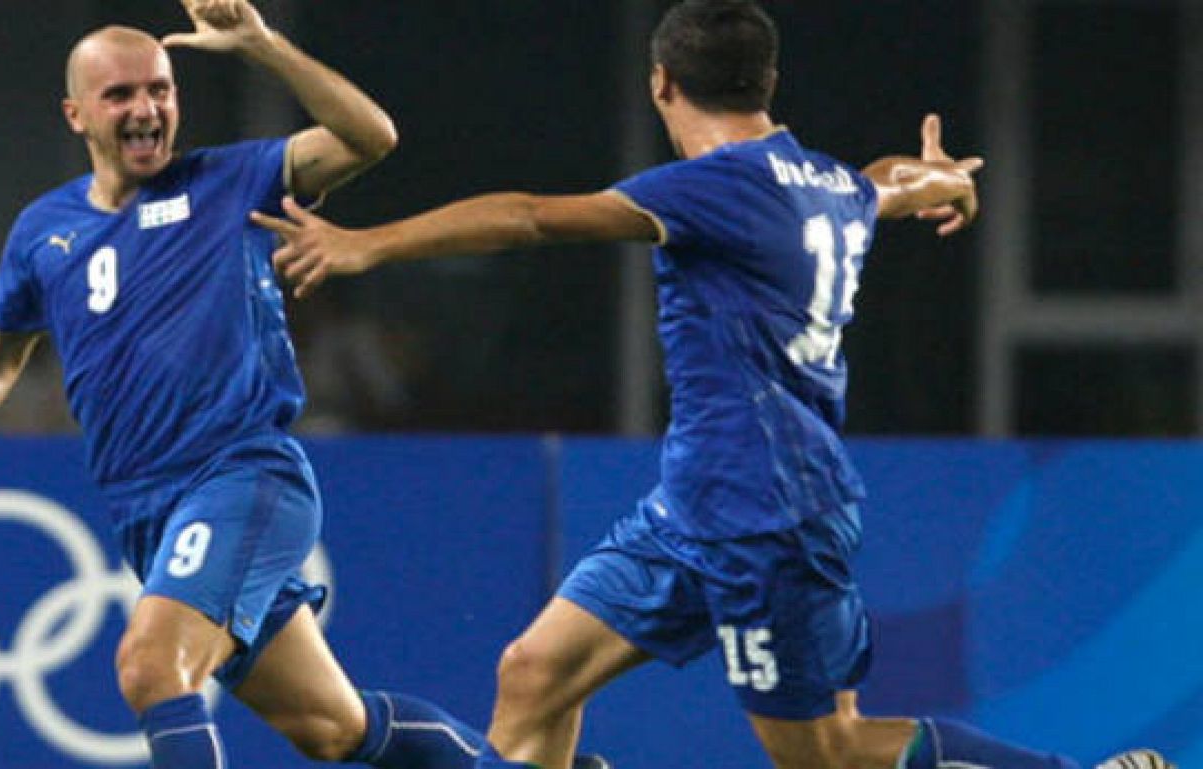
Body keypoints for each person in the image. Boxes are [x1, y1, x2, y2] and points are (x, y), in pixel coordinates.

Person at [252, 3, 1177, 769]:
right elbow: (880, 186)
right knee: (534, 673)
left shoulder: (717, 187)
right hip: (695, 505)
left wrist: (369, 243)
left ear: (662, 83)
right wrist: (931, 176)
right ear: (765, 84)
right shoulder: (818, 181)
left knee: (827, 748)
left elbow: (533, 218)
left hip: (770, 516)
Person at [0, 3, 614, 768]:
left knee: (150, 665)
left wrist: (265, 48)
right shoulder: (42, 230)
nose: (146, 108)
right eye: (120, 95)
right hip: (146, 509)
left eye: (159, 90)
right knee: (333, 727)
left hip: (240, 476)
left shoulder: (229, 181)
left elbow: (371, 137)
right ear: (75, 115)